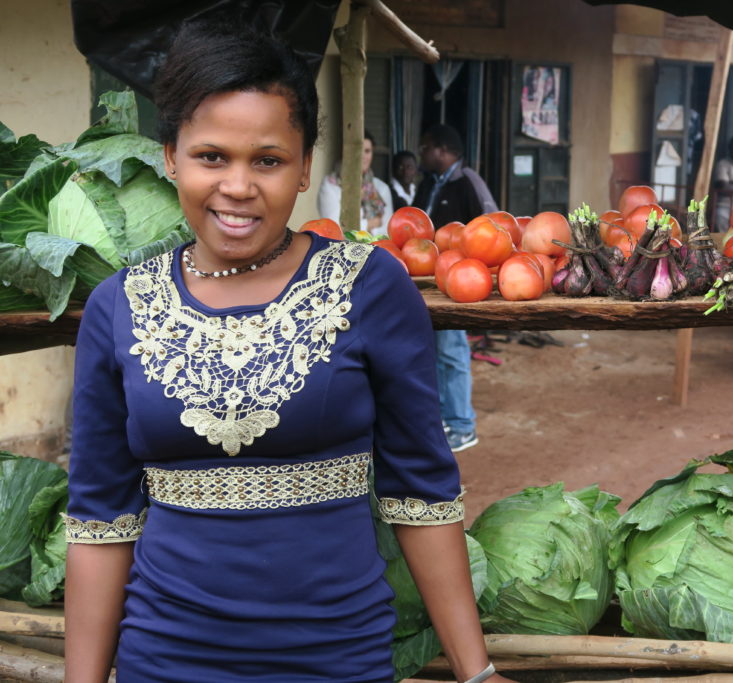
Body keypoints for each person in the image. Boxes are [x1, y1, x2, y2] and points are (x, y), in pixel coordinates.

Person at [63, 20, 509, 683]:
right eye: (211, 156)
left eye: (267, 160)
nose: (238, 187)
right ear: (170, 158)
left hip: (339, 658)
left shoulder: (369, 287)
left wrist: (475, 673)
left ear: (304, 168)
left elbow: (421, 491)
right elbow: (101, 521)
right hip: (164, 659)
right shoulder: (118, 308)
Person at [413, 124, 497, 451]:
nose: (422, 153)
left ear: (442, 149)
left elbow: (491, 229)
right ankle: (445, 421)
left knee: (452, 351)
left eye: (426, 146)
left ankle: (463, 424)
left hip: (457, 280)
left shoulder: (468, 182)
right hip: (427, 282)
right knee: (430, 352)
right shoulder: (429, 183)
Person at [317, 129, 393, 235]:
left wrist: (358, 228)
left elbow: (386, 232)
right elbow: (336, 229)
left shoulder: (381, 188)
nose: (363, 156)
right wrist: (370, 224)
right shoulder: (330, 185)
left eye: (367, 151)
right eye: (358, 151)